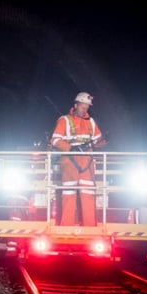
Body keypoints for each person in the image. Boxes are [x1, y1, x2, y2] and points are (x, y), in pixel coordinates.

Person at [50, 92, 107, 226]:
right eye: (82, 107)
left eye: (87, 108)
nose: (84, 110)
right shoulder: (64, 120)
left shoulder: (91, 122)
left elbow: (98, 140)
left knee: (88, 194)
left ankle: (90, 227)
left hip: (87, 161)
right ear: (76, 105)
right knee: (69, 194)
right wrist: (70, 148)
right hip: (70, 161)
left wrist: (101, 143)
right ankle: (66, 227)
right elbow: (55, 140)